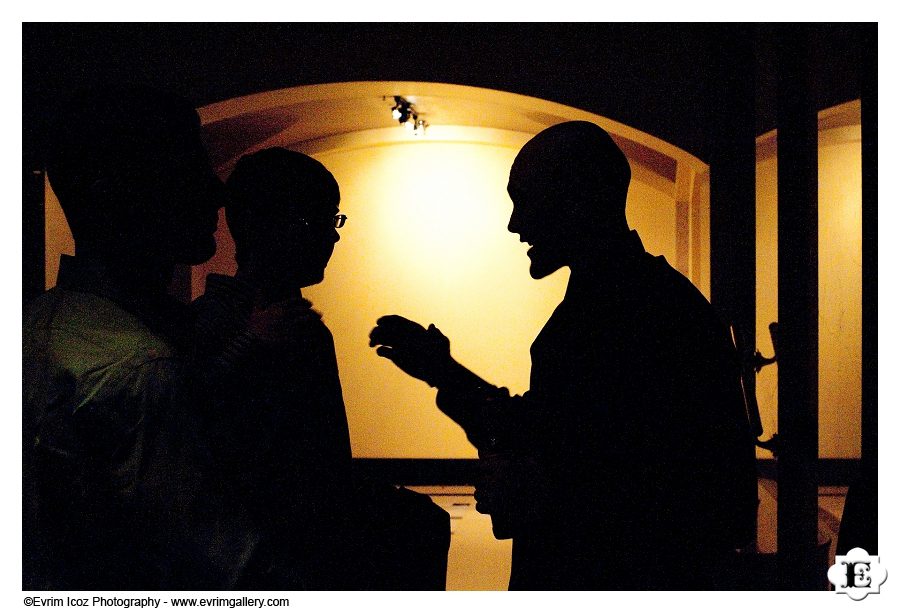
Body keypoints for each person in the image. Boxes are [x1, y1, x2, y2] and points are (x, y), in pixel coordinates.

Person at [369, 121, 759, 589]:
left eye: (526, 201)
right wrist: (444, 372)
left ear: (579, 200)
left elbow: (589, 468)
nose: (515, 224)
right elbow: (563, 432)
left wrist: (449, 380)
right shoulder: (641, 298)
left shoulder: (624, 310)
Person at [22, 84, 252, 589]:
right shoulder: (139, 367)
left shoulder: (34, 326)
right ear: (115, 191)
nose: (215, 190)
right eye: (188, 169)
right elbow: (228, 575)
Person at [193, 147, 450, 589]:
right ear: (261, 227)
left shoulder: (272, 322)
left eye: (333, 221)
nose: (331, 238)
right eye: (314, 222)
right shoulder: (223, 324)